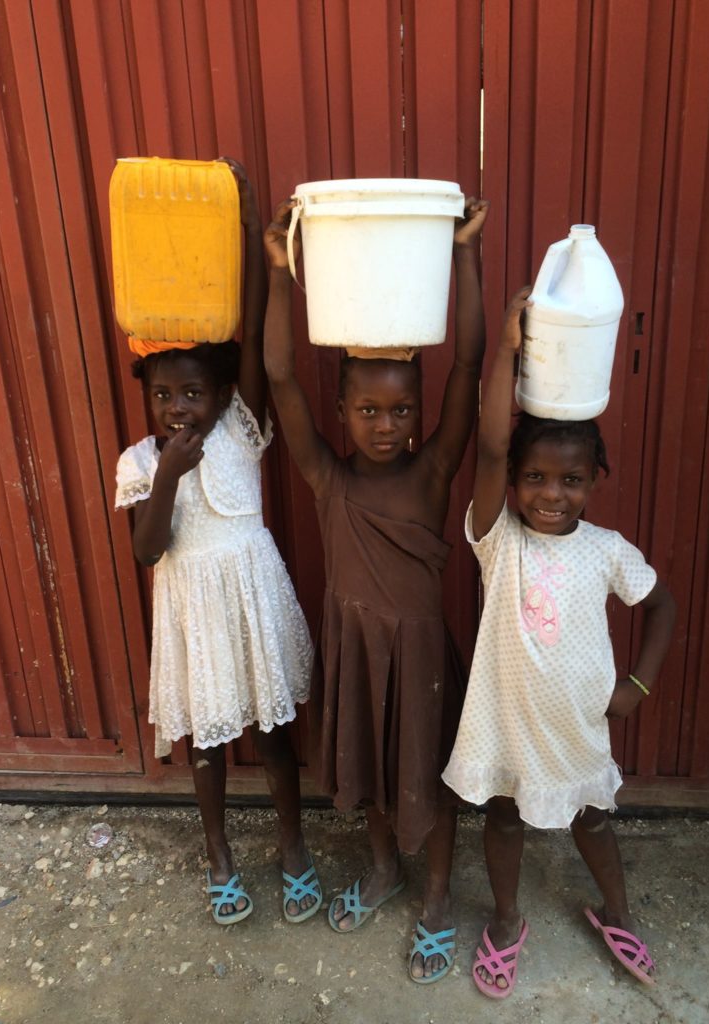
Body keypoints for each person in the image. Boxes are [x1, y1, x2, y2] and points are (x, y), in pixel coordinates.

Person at [263, 194, 490, 983]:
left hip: (419, 655)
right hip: (359, 650)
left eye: (401, 409)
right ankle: (385, 865)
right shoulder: (327, 479)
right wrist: (280, 277)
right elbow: (281, 374)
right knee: (371, 767)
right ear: (341, 410)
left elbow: (467, 365)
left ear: (422, 415)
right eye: (366, 408)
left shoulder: (432, 474)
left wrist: (464, 254)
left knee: (427, 773)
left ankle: (436, 896)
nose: (385, 424)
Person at [443, 287, 676, 998]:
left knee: (596, 822)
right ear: (511, 484)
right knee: (506, 820)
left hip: (577, 725)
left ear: (592, 482)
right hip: (509, 722)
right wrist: (509, 351)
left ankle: (618, 912)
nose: (553, 493)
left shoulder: (606, 550)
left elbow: (662, 604)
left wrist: (637, 684)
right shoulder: (498, 541)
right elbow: (485, 444)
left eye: (572, 480)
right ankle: (508, 920)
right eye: (536, 478)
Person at [114, 160, 318, 927]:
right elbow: (146, 550)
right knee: (205, 748)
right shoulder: (140, 462)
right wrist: (168, 474)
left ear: (224, 394)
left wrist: (251, 220)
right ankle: (218, 854)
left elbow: (264, 346)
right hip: (194, 615)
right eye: (163, 395)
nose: (177, 408)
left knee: (272, 736)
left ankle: (292, 847)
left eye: (192, 392)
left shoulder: (239, 426)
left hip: (251, 603)